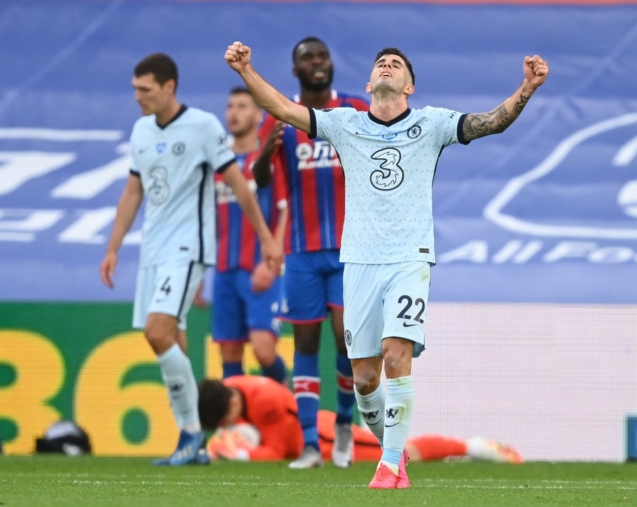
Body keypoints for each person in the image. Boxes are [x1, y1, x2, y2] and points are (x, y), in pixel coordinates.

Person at [224, 41, 548, 488]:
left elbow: (489, 123)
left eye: (396, 64)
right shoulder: (345, 124)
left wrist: (526, 88)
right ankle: (391, 451)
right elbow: (281, 107)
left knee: (397, 356)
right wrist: (247, 71)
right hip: (358, 261)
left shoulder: (432, 123)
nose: (387, 66)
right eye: (381, 63)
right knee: (364, 380)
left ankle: (390, 462)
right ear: (368, 83)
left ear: (409, 85)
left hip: (409, 258)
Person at [100, 53, 282, 466]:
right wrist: (113, 246)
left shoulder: (202, 126)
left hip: (188, 248)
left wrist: (268, 239)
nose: (138, 98)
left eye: (144, 90)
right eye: (135, 90)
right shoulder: (141, 130)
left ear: (168, 87)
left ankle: (191, 431)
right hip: (154, 251)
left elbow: (238, 184)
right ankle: (194, 442)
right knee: (173, 343)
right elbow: (133, 192)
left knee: (157, 332)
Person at [252, 37, 370, 470]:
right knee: (304, 341)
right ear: (295, 69)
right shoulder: (281, 116)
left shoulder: (355, 110)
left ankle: (342, 422)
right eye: (308, 58)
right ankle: (307, 445)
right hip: (300, 251)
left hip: (347, 249)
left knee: (345, 337)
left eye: (322, 56)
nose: (317, 63)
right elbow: (261, 180)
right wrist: (265, 154)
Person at [198, 377, 522, 465]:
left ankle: (475, 446)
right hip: (317, 431)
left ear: (232, 404)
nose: (228, 426)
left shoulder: (265, 402)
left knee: (401, 454)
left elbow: (278, 450)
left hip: (324, 442)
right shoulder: (236, 386)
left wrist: (240, 454)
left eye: (225, 421)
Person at [210, 87, 288, 383]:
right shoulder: (218, 163)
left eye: (243, 106)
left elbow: (285, 210)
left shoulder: (266, 158)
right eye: (230, 106)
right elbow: (210, 221)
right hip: (224, 271)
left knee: (263, 350)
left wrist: (271, 262)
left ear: (259, 115)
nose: (234, 112)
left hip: (259, 268)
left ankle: (283, 402)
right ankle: (238, 425)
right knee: (229, 353)